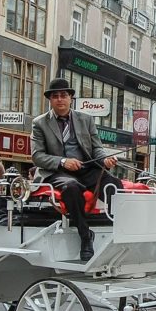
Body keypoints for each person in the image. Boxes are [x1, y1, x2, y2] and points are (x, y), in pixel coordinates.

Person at [31, 78, 123, 262]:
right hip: (58, 172)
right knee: (71, 187)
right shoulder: (40, 123)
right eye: (55, 96)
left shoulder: (86, 119)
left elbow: (96, 148)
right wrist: (63, 161)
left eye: (64, 95)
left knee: (113, 184)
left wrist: (104, 159)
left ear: (71, 98)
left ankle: (120, 229)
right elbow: (37, 156)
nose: (60, 99)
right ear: (50, 100)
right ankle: (85, 235)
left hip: (86, 167)